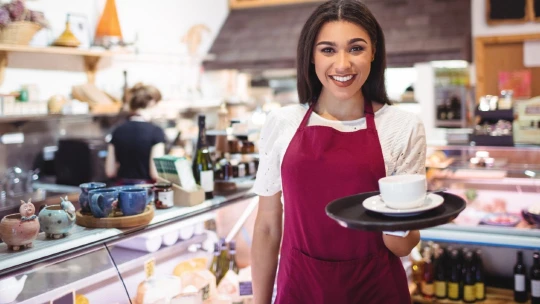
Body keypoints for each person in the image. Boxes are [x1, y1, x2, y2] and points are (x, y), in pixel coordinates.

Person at [251, 1, 426, 303]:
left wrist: (399, 227)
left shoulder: (403, 127)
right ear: (311, 57)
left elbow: (404, 245)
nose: (343, 64)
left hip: (376, 290)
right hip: (299, 288)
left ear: (373, 53)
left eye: (356, 48)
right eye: (328, 50)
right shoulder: (282, 123)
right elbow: (267, 226)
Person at [105, 83, 166, 185]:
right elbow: (155, 174)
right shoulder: (156, 132)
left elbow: (110, 172)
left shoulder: (117, 131)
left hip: (121, 191)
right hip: (146, 192)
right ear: (152, 102)